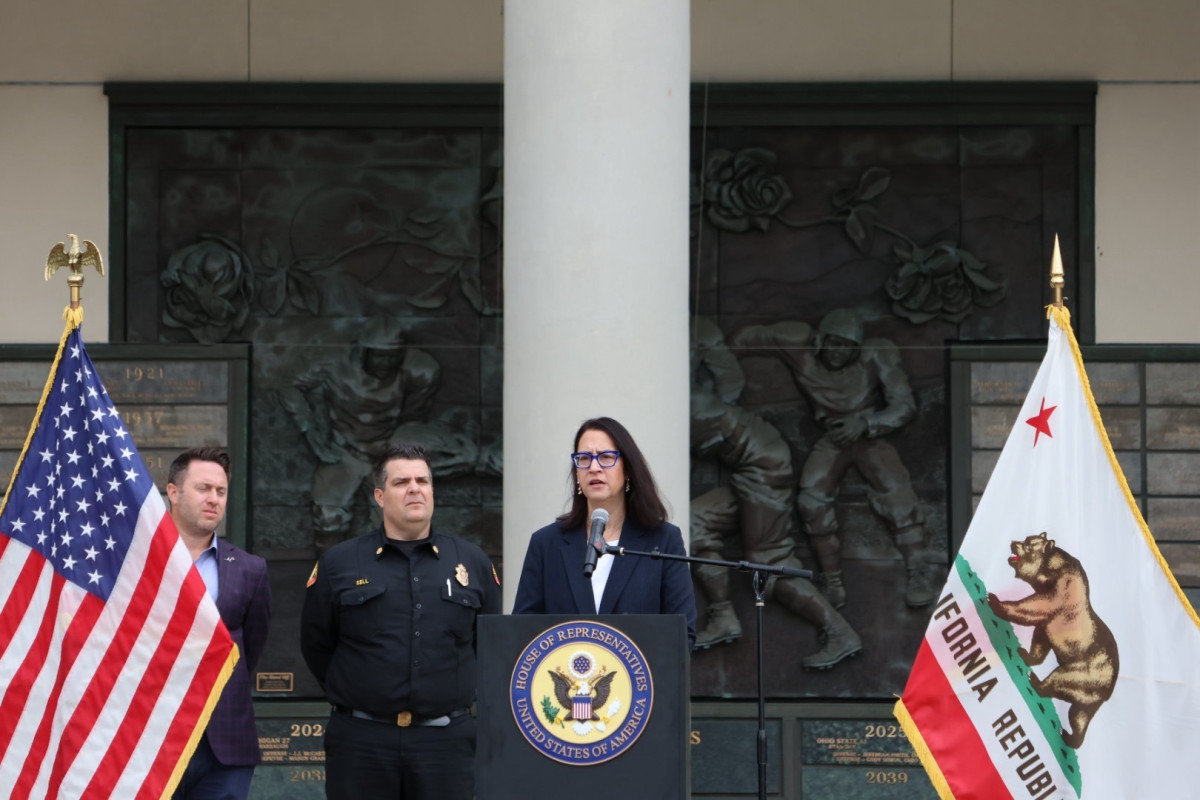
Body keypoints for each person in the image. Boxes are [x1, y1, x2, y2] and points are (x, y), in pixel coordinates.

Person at [300, 443, 501, 800]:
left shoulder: (472, 563)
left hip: (445, 744)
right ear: (379, 496)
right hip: (362, 744)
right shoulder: (339, 563)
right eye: (401, 482)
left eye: (422, 481)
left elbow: (488, 644)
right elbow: (316, 643)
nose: (414, 489)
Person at [732, 308, 936, 608]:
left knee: (897, 492)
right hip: (833, 436)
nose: (839, 351)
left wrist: (865, 424)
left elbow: (904, 405)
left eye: (847, 346)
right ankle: (832, 580)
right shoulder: (797, 343)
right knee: (811, 501)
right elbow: (745, 339)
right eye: (835, 343)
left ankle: (918, 572)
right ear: (821, 339)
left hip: (868, 433)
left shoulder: (876, 354)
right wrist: (718, 359)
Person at [690, 318, 862, 668]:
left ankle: (840, 632)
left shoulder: (681, 401)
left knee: (768, 561)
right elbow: (731, 379)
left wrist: (720, 415)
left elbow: (729, 379)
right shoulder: (681, 394)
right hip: (752, 465)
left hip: (764, 465)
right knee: (694, 523)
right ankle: (723, 616)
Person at [512, 417, 698, 650]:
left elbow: (683, 634)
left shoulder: (663, 540)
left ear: (627, 469)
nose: (594, 468)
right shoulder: (546, 544)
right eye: (584, 458)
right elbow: (522, 632)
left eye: (606, 457)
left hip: (642, 674)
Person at [168, 447, 272, 800]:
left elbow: (249, 650)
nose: (214, 499)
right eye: (203, 489)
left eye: (221, 491)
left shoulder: (250, 569)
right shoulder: (136, 561)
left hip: (224, 747)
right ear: (174, 492)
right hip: (149, 741)